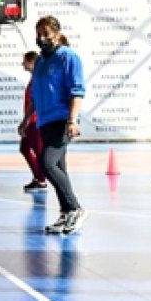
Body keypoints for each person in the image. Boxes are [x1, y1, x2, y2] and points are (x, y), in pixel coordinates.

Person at [19, 15, 86, 234]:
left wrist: (72, 120)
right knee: (59, 169)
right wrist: (27, 119)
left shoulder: (68, 57)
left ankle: (75, 208)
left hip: (62, 120)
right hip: (45, 122)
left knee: (47, 164)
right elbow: (37, 96)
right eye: (38, 34)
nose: (41, 38)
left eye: (46, 33)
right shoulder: (40, 61)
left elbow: (77, 91)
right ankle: (65, 213)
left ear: (57, 33)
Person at [18, 51, 46, 192]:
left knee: (38, 151)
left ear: (32, 63)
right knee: (25, 148)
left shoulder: (38, 79)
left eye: (25, 61)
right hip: (31, 121)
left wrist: (27, 120)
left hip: (35, 121)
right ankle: (38, 177)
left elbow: (35, 102)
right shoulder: (34, 79)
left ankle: (41, 180)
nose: (22, 64)